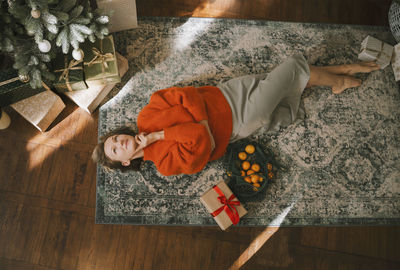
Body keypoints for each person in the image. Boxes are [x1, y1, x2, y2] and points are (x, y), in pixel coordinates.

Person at [92, 55, 380, 176]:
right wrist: (160, 136)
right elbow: (200, 142)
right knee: (291, 68)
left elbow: (186, 94)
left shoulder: (147, 113)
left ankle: (341, 71)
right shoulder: (165, 165)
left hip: (229, 93)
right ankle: (339, 78)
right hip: (241, 122)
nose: (121, 142)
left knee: (282, 89)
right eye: (116, 150)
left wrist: (200, 122)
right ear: (126, 161)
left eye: (116, 138)